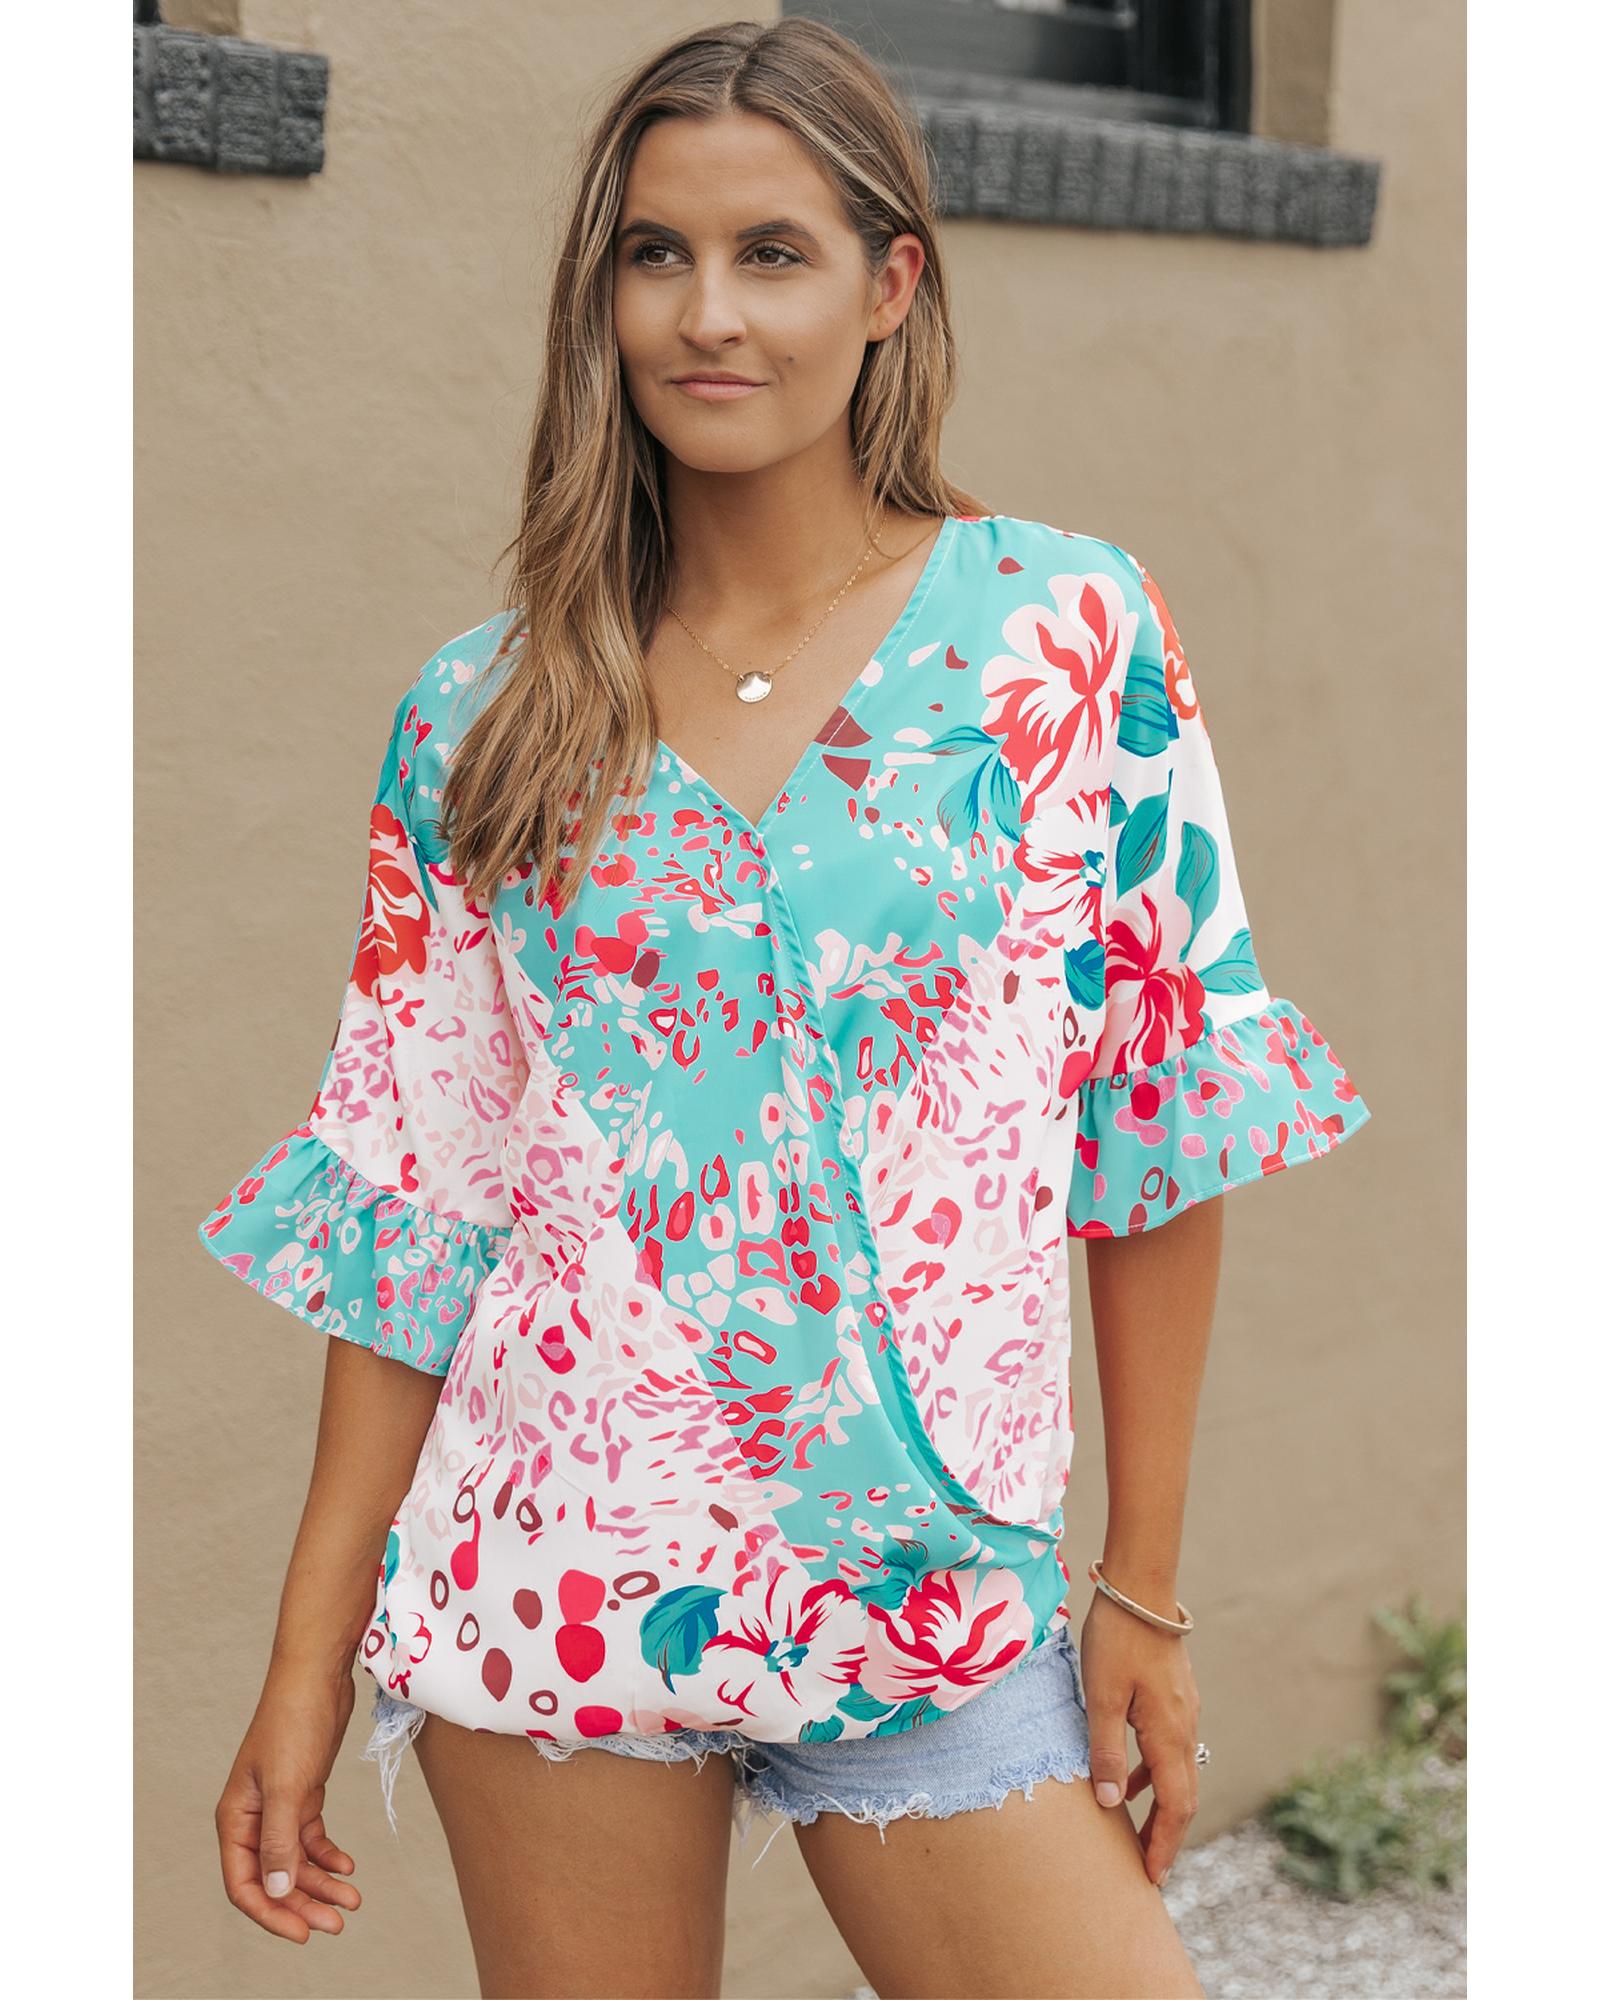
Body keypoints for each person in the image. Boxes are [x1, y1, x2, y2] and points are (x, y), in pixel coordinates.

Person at [198, 17, 1370, 1998]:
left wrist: (1143, 1587)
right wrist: (307, 1661)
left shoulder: (1061, 632)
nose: (707, 315)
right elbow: (414, 1203)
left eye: (771, 254)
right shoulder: (482, 713)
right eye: (654, 255)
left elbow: (1152, 1117)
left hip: (929, 1594)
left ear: (889, 284)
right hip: (558, 1569)